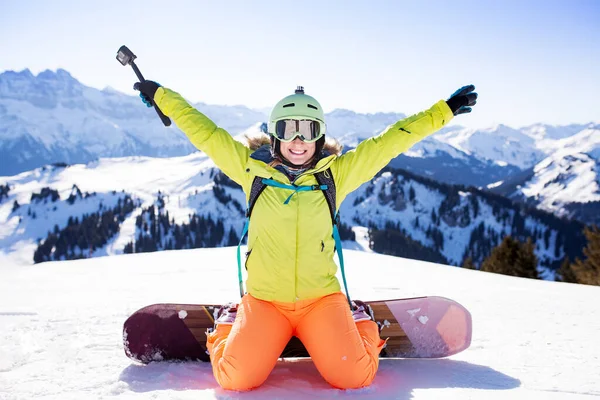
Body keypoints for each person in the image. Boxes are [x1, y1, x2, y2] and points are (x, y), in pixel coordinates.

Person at [134, 80, 477, 391]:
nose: (298, 140)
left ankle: (361, 323)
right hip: (266, 302)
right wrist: (163, 98)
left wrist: (442, 112)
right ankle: (227, 323)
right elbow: (205, 132)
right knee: (234, 379)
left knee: (354, 376)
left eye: (308, 130)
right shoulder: (251, 171)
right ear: (275, 135)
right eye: (289, 129)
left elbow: (391, 141)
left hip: (320, 301)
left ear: (319, 135)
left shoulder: (335, 176)